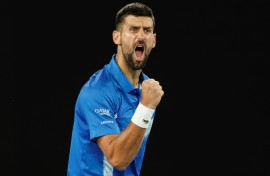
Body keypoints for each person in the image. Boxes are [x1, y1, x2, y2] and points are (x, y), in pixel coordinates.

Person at [67, 2, 164, 176]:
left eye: (147, 30)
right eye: (133, 29)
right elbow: (118, 158)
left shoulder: (147, 89)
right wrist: (146, 107)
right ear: (116, 37)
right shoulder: (96, 92)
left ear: (154, 40)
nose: (141, 36)